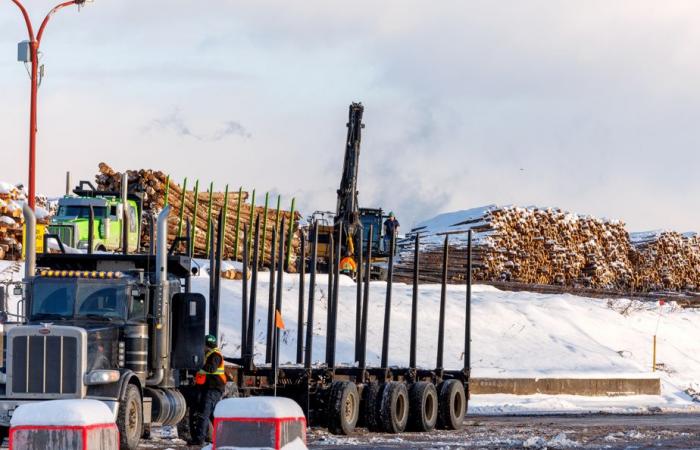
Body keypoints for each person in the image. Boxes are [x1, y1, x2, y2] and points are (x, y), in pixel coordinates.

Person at [189, 334, 226, 446]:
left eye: (204, 345)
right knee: (211, 415)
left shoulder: (215, 355)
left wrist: (199, 364)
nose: (202, 347)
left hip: (213, 389)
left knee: (204, 414)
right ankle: (222, 438)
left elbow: (211, 368)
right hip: (210, 388)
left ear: (207, 345)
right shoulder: (210, 354)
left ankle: (199, 440)